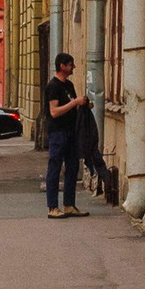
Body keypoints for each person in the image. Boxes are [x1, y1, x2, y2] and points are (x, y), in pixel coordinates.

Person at [45, 52, 91, 217]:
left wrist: (83, 105)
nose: (73, 67)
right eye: (70, 64)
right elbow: (54, 112)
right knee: (55, 168)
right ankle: (52, 207)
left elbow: (72, 105)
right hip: (58, 132)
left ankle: (69, 205)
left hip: (71, 132)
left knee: (72, 168)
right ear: (62, 66)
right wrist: (74, 103)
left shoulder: (69, 86)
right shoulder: (53, 86)